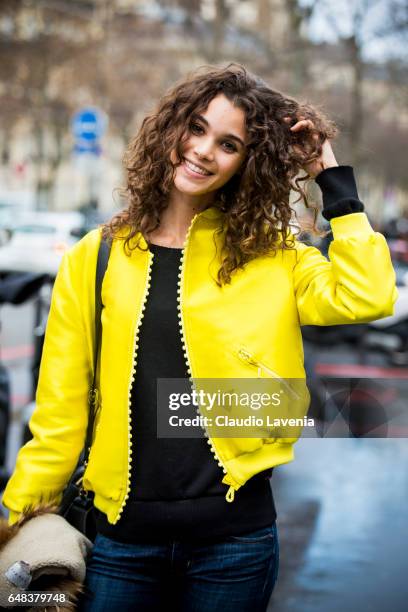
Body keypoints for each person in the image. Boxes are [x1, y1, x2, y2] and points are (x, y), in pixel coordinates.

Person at [1, 64, 397, 611]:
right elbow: (61, 409)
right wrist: (21, 517)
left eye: (229, 143)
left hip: (235, 546)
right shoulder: (96, 256)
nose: (204, 150)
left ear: (245, 164)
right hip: (119, 543)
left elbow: (366, 294)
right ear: (169, 129)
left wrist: (328, 174)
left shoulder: (272, 255)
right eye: (197, 127)